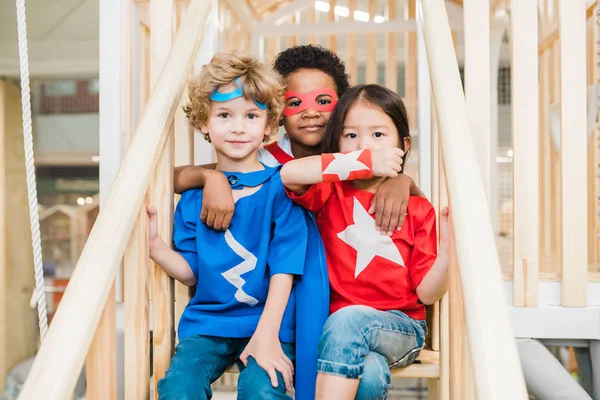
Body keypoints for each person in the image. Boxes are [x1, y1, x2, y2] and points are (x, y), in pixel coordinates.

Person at [147, 52, 328, 400]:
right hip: (208, 324)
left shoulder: (281, 188)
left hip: (270, 322)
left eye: (251, 116)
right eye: (224, 115)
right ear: (203, 122)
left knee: (263, 390)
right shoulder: (192, 198)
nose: (238, 127)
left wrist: (268, 334)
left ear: (268, 126)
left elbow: (284, 271)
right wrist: (156, 247)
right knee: (177, 388)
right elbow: (191, 272)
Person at [280, 84, 450, 400]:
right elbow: (289, 174)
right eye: (351, 136)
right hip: (337, 334)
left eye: (378, 135)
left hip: (401, 328)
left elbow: (426, 292)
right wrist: (363, 163)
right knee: (369, 373)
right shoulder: (329, 193)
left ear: (404, 143)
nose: (364, 146)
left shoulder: (417, 209)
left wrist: (450, 255)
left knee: (350, 319)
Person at [173, 45, 423, 235]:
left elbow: (419, 211)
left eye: (323, 101)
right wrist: (212, 177)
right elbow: (175, 177)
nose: (311, 112)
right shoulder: (264, 158)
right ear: (277, 113)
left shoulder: (355, 152)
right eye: (294, 103)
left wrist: (403, 182)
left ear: (343, 105)